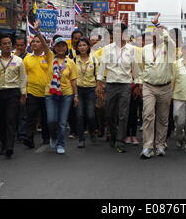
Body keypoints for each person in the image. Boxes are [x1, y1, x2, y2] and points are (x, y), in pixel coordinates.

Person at [97, 23, 140, 154]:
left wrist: (138, 84)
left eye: (119, 32)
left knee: (123, 114)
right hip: (110, 84)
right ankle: (114, 134)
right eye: (114, 32)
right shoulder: (107, 49)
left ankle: (119, 141)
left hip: (126, 85)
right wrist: (99, 84)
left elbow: (135, 69)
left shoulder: (131, 50)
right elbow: (102, 67)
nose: (117, 35)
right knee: (109, 114)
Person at [137, 18, 175, 159]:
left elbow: (169, 40)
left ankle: (160, 144)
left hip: (165, 87)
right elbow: (141, 67)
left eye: (158, 35)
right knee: (147, 115)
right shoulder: (145, 50)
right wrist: (140, 82)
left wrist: (159, 26)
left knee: (163, 118)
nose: (155, 37)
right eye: (153, 35)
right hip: (149, 87)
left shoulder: (169, 48)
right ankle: (147, 146)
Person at [0, 34, 27, 158]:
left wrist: (23, 94)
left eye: (9, 43)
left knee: (11, 119)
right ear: (0, 46)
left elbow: (23, 78)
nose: (7, 45)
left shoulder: (18, 60)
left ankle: (9, 147)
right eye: (5, 43)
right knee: (1, 120)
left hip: (13, 92)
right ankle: (3, 143)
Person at [46, 37, 78, 155]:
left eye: (63, 46)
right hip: (51, 94)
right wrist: (38, 32)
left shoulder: (70, 62)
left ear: (66, 47)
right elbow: (44, 45)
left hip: (66, 94)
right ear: (54, 48)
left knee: (63, 122)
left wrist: (76, 95)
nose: (60, 48)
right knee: (51, 120)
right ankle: (53, 137)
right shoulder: (50, 58)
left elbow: (73, 80)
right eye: (58, 46)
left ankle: (60, 143)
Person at [23, 21, 51, 148]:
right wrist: (24, 92)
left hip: (47, 92)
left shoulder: (49, 56)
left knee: (46, 117)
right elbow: (24, 76)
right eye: (33, 41)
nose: (34, 43)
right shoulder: (27, 58)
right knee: (31, 117)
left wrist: (38, 32)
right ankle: (29, 139)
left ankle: (46, 137)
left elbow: (46, 47)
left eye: (37, 41)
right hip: (32, 91)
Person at [73, 37, 97, 148]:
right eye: (80, 46)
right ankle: (81, 139)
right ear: (77, 48)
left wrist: (99, 89)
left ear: (88, 46)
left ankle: (92, 132)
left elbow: (98, 75)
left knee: (91, 114)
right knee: (80, 115)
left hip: (91, 89)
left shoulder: (94, 59)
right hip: (79, 89)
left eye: (84, 45)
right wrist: (75, 93)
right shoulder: (73, 60)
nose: (82, 47)